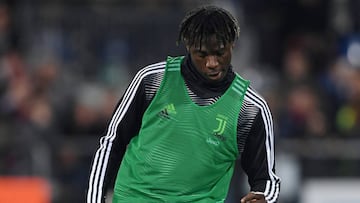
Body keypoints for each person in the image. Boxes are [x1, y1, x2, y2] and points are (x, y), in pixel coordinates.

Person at [87, 5, 280, 203]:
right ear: (188, 46)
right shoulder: (152, 80)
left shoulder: (250, 109)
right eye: (202, 54)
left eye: (219, 53)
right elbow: (112, 142)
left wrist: (263, 197)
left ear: (232, 46)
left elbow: (266, 179)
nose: (212, 63)